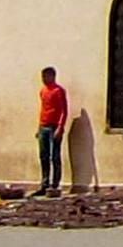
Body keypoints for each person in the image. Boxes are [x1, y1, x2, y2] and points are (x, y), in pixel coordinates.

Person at [33, 68, 69, 196]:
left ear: (52, 76)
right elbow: (43, 109)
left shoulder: (58, 91)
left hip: (54, 127)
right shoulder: (43, 91)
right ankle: (44, 183)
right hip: (44, 126)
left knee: (55, 156)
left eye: (46, 77)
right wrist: (39, 127)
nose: (43, 79)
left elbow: (64, 111)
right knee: (44, 156)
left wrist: (60, 127)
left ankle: (55, 184)